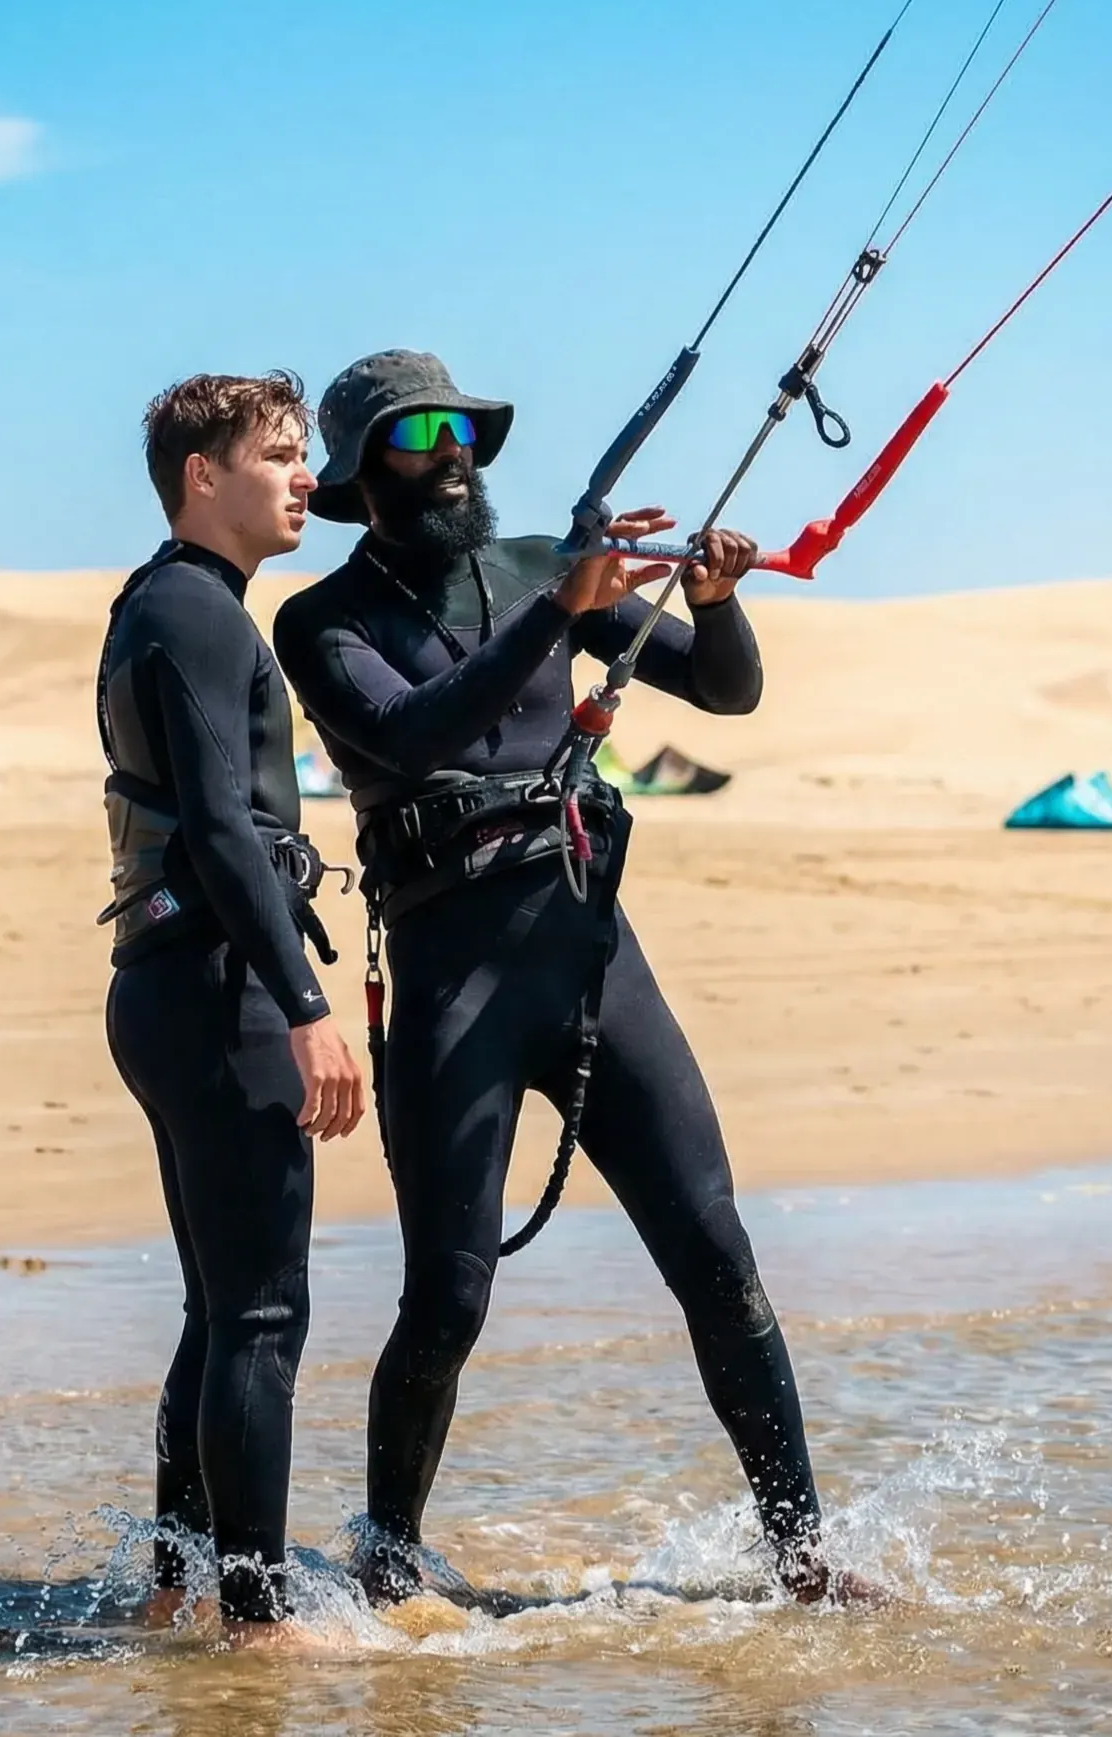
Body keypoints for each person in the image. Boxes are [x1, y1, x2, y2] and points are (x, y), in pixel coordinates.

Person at [272, 349, 867, 1607]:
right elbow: (415, 733)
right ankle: (388, 1554)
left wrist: (714, 598)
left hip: (593, 954)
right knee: (447, 1296)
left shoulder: (546, 565)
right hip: (452, 979)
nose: (448, 449)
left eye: (460, 427)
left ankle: (804, 1561)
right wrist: (562, 607)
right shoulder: (320, 622)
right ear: (358, 474)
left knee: (717, 1256)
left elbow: (726, 690)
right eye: (413, 433)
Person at [98, 370, 366, 1639]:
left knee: (222, 1308)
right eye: (278, 453)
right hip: (216, 989)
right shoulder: (197, 611)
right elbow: (217, 825)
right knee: (263, 1310)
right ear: (204, 477)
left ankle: (170, 1593)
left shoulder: (163, 605)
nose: (305, 474)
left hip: (167, 983)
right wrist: (304, 1002)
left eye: (306, 451)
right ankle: (256, 1626)